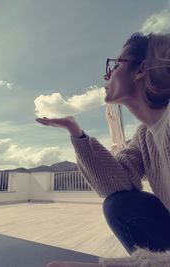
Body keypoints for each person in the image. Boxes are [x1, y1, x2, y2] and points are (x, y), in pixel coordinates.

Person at [35, 31, 170, 267]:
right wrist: (76, 132)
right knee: (118, 205)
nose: (106, 74)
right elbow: (115, 184)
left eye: (116, 65)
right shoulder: (145, 135)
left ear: (141, 70)